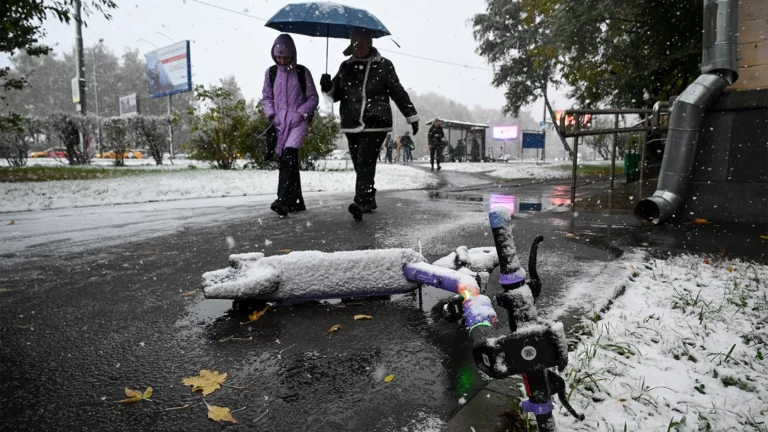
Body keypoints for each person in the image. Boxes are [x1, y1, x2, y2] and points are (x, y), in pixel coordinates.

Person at [320, 28, 419, 221]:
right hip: (351, 123)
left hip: (376, 122)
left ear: (369, 43)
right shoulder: (345, 67)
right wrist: (327, 86)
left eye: (361, 43)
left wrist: (411, 115)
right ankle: (369, 196)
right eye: (354, 44)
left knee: (366, 159)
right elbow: (335, 96)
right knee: (359, 161)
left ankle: (361, 200)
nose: (357, 47)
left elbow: (397, 91)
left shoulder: (383, 66)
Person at [262, 34, 319, 217]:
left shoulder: (302, 72)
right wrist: (271, 114)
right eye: (279, 57)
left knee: (289, 155)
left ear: (293, 55)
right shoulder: (270, 73)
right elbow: (267, 97)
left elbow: (313, 98)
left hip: (298, 122)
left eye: (286, 57)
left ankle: (283, 200)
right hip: (280, 123)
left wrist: (300, 113)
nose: (282, 60)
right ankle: (296, 202)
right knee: (288, 161)